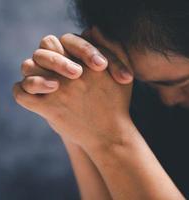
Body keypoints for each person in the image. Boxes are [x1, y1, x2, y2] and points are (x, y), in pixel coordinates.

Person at [13, 0, 189, 199]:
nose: (168, 99)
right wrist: (74, 118)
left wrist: (112, 139)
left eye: (185, 83)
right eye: (149, 84)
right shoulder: (141, 102)